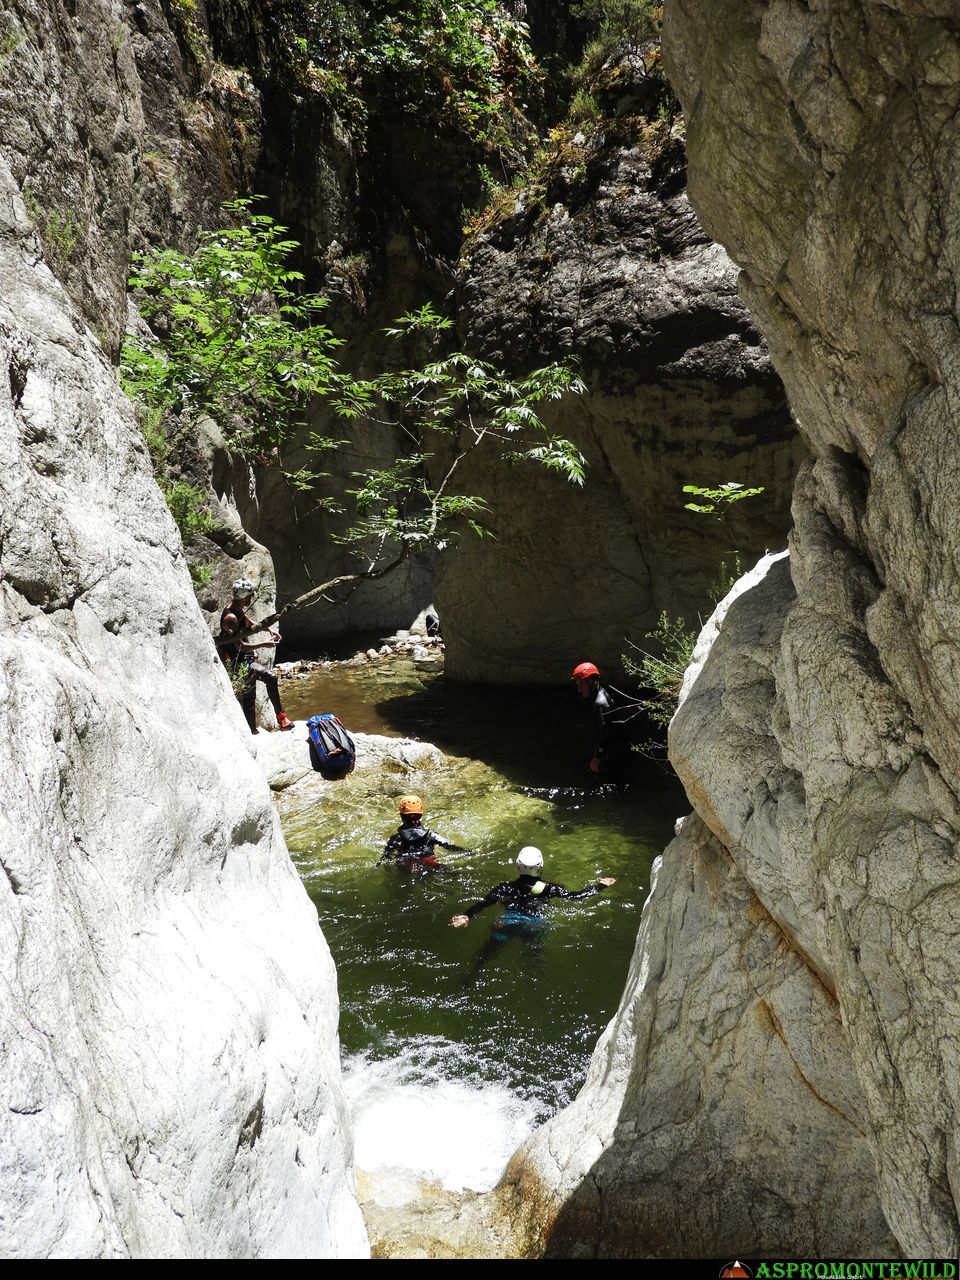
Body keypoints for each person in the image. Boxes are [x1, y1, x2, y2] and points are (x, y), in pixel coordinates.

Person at [450, 846, 615, 929]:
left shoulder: (505, 888)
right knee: (534, 958)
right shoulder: (551, 888)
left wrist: (467, 915)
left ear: (517, 867)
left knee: (488, 952)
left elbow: (484, 903)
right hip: (535, 924)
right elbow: (576, 897)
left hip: (507, 921)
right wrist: (600, 886)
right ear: (540, 869)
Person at [219, 578, 294, 735]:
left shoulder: (235, 607)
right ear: (244, 598)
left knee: (249, 696)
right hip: (236, 662)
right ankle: (281, 718)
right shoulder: (230, 618)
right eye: (250, 596)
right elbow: (241, 646)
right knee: (270, 678)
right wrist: (264, 644)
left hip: (242, 659)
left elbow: (247, 622)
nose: (251, 599)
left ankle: (252, 731)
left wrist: (268, 629)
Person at [571, 660, 630, 781]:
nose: (579, 690)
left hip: (613, 754)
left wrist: (597, 757)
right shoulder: (601, 692)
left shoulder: (601, 704)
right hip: (617, 750)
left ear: (591, 681)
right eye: (577, 685)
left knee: (604, 781)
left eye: (581, 684)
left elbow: (605, 733)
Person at [379, 795, 467, 869]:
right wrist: (467, 851)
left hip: (405, 866)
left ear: (401, 815)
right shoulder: (431, 835)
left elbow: (385, 858)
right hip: (428, 865)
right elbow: (450, 846)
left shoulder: (395, 839)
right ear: (420, 814)